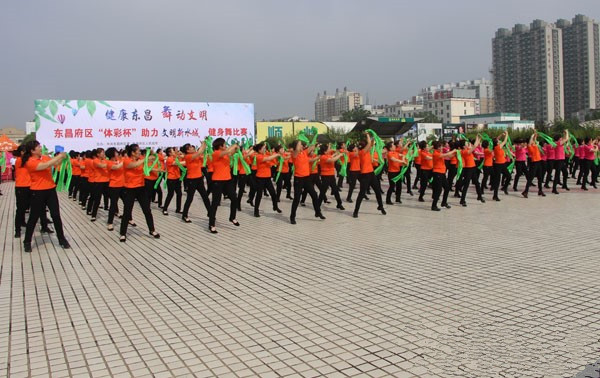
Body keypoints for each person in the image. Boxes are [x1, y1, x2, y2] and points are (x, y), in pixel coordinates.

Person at [21, 140, 71, 252]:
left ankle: (61, 239)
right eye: (38, 147)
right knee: (33, 217)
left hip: (50, 190)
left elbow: (54, 164)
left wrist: (62, 158)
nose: (40, 148)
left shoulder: (44, 157)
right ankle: (27, 241)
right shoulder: (30, 162)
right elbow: (46, 165)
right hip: (37, 192)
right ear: (32, 150)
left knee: (56, 216)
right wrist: (58, 157)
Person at [119, 144, 160, 242]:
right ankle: (123, 233)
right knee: (127, 211)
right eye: (137, 151)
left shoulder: (141, 159)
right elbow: (135, 165)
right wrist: (145, 158)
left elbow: (153, 158)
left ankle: (152, 230)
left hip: (141, 188)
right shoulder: (126, 160)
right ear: (132, 153)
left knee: (147, 210)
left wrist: (152, 152)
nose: (139, 152)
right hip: (130, 189)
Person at [208, 138, 240, 233]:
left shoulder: (225, 154)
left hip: (227, 180)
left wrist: (236, 148)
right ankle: (211, 224)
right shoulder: (216, 153)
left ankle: (232, 217)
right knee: (215, 203)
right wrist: (233, 145)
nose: (226, 146)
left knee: (234, 198)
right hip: (218, 181)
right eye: (224, 144)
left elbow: (231, 152)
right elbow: (227, 151)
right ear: (220, 146)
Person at [289, 140, 324, 224]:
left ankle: (317, 212)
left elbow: (310, 150)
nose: (302, 146)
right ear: (296, 146)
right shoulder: (294, 154)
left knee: (314, 195)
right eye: (300, 145)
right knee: (297, 199)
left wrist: (316, 143)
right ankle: (292, 217)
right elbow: (296, 150)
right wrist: (298, 145)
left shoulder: (304, 153)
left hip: (306, 178)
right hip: (298, 179)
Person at [352, 133, 385, 218]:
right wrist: (367, 135)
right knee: (361, 194)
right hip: (365, 175)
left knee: (377, 191)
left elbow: (371, 143)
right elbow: (370, 144)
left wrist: (374, 137)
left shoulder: (367, 151)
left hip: (371, 174)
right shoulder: (362, 152)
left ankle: (380, 206)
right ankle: (356, 211)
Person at [181, 142, 211, 223]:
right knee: (190, 198)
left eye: (191, 146)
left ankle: (210, 213)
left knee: (205, 196)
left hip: (199, 179)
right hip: (191, 180)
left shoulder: (196, 156)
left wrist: (205, 144)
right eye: (190, 147)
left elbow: (203, 154)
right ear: (187, 151)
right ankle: (184, 215)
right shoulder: (188, 156)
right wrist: (203, 144)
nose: (192, 147)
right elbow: (200, 152)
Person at [252, 142, 283, 217]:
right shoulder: (258, 156)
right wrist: (277, 154)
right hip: (260, 178)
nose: (265, 149)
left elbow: (273, 162)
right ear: (259, 150)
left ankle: (275, 206)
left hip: (268, 178)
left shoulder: (266, 155)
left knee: (273, 193)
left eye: (265, 148)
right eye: (263, 148)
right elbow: (269, 158)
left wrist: (278, 158)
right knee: (259, 195)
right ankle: (256, 210)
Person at [429, 140, 457, 211]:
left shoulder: (439, 152)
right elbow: (446, 155)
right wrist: (454, 150)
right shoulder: (436, 153)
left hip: (442, 173)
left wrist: (456, 153)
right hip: (437, 173)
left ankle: (444, 202)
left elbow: (449, 156)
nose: (442, 147)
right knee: (439, 190)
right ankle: (434, 205)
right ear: (437, 147)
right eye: (441, 146)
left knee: (447, 188)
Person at [317, 143, 345, 210]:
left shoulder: (327, 155)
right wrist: (340, 155)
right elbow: (332, 160)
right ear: (324, 151)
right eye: (328, 149)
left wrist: (336, 153)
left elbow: (331, 156)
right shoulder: (322, 157)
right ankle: (317, 205)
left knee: (335, 190)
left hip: (331, 175)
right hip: (325, 176)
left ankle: (339, 204)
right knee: (323, 191)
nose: (329, 150)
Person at [105, 147, 124, 231]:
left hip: (123, 185)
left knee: (127, 203)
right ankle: (110, 222)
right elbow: (116, 168)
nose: (117, 154)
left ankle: (129, 219)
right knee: (113, 204)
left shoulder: (120, 160)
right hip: (114, 185)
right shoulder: (108, 162)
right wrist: (124, 162)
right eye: (116, 153)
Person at [162, 147, 184, 215]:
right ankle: (165, 209)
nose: (174, 152)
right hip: (171, 179)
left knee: (179, 194)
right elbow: (177, 163)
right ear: (169, 153)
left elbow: (182, 157)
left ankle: (178, 209)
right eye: (173, 151)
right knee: (170, 194)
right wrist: (189, 160)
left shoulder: (175, 158)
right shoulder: (169, 159)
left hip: (177, 178)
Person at [522, 132, 544, 198]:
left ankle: (540, 190)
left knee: (540, 177)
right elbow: (530, 142)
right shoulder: (530, 147)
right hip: (534, 163)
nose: (534, 141)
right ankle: (525, 191)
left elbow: (534, 139)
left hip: (539, 162)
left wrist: (535, 134)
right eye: (533, 141)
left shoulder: (535, 146)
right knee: (530, 178)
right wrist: (532, 136)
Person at [90, 148, 110, 222]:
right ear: (98, 154)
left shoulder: (106, 160)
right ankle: (93, 215)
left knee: (109, 197)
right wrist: (109, 163)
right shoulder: (95, 160)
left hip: (106, 181)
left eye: (104, 152)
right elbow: (102, 166)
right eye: (102, 153)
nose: (103, 154)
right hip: (98, 182)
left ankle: (111, 210)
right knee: (97, 199)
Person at [491, 131, 509, 201]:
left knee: (508, 176)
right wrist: (507, 134)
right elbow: (505, 141)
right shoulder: (497, 147)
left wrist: (501, 134)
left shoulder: (496, 146)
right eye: (498, 141)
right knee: (497, 181)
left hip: (503, 164)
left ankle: (504, 187)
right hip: (498, 165)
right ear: (497, 143)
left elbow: (496, 139)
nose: (499, 141)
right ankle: (495, 195)